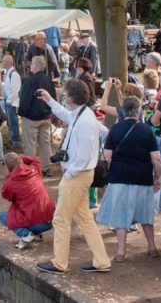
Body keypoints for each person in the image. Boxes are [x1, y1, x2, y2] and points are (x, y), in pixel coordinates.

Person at [34, 79, 113, 275]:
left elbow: (84, 155)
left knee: (60, 219)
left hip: (77, 176)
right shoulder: (83, 114)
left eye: (64, 93)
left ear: (70, 97)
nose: (62, 95)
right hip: (80, 174)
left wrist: (69, 170)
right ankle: (102, 260)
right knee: (85, 219)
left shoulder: (85, 121)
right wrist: (50, 101)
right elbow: (67, 115)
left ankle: (59, 263)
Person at [96, 96, 161, 262]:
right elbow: (157, 158)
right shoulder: (147, 130)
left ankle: (121, 252)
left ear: (124, 111)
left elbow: (107, 156)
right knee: (146, 215)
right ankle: (152, 247)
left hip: (119, 178)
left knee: (120, 216)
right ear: (139, 110)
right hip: (143, 178)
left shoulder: (115, 129)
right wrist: (158, 178)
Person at [0, 152, 55, 249]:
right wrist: (20, 158)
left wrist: (9, 175)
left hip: (37, 222)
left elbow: (6, 196)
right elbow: (35, 160)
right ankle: (36, 234)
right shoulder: (34, 170)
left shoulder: (10, 182)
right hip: (51, 219)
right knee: (27, 208)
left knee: (4, 216)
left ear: (7, 167)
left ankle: (25, 234)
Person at [18, 55, 57, 175]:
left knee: (30, 144)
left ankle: (31, 169)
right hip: (45, 116)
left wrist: (21, 113)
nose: (30, 65)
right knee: (45, 144)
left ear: (35, 66)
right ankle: (46, 168)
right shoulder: (48, 80)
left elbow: (25, 99)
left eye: (32, 64)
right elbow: (53, 97)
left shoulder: (29, 81)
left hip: (31, 117)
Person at [1, 55, 22, 148]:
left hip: (12, 103)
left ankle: (15, 140)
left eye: (3, 61)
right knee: (10, 122)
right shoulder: (9, 73)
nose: (2, 63)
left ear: (7, 63)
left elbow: (15, 90)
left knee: (13, 121)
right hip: (8, 101)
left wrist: (9, 101)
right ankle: (12, 139)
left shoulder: (13, 74)